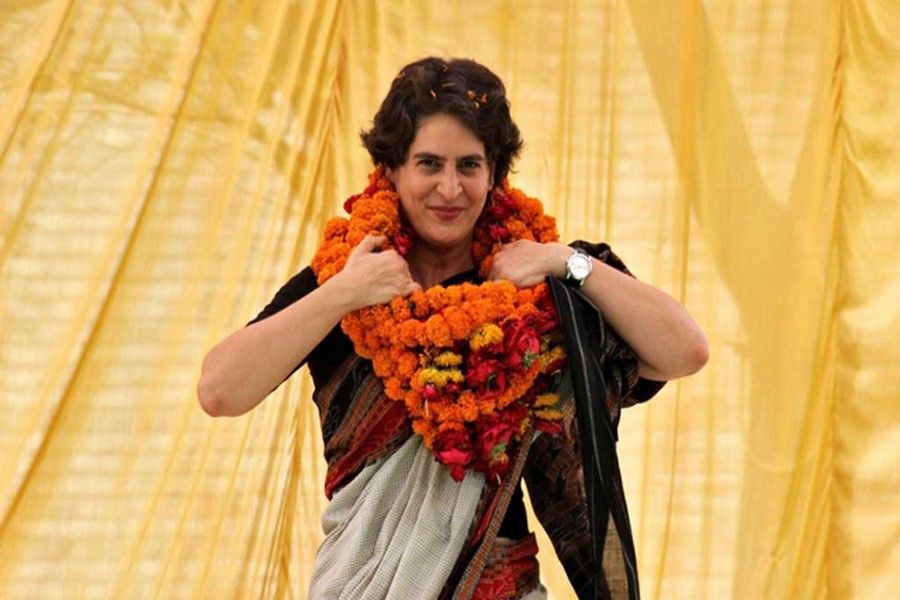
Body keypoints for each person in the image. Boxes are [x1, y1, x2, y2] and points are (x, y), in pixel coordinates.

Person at [198, 56, 707, 600]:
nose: (449, 188)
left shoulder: (536, 292)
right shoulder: (346, 280)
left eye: (469, 165)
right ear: (391, 169)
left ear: (495, 174)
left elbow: (684, 351)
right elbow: (219, 390)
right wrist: (345, 293)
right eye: (429, 163)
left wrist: (566, 262)